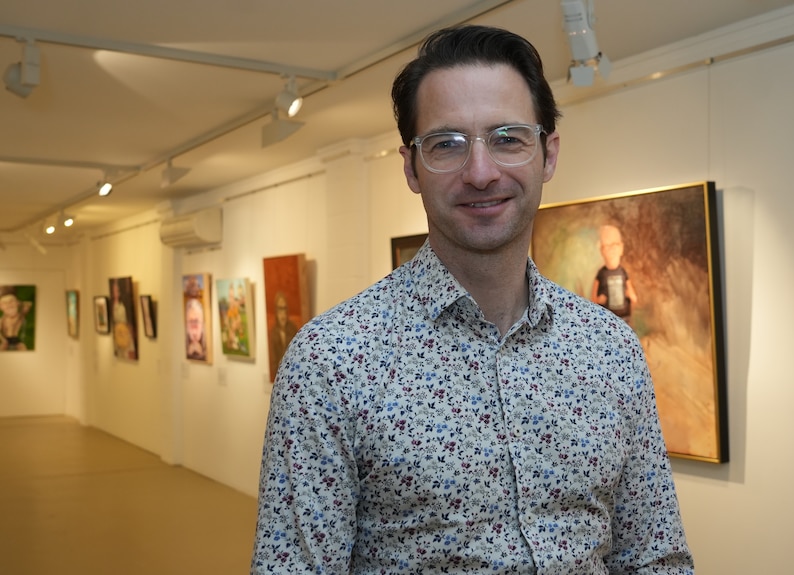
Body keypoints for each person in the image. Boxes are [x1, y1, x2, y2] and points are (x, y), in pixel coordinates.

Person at [252, 25, 693, 574]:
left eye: (508, 138)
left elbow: (654, 557)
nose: (481, 173)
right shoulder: (331, 361)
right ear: (411, 167)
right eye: (447, 144)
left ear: (548, 154)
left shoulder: (610, 349)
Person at [591, 224, 638, 320]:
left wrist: (631, 296)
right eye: (606, 246)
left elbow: (632, 295)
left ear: (621, 248)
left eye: (614, 245)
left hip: (624, 317)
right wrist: (598, 300)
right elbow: (593, 299)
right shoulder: (601, 274)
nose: (611, 250)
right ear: (601, 250)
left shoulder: (623, 272)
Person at [267, 290, 298, 381]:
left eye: (284, 308)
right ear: (276, 311)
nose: (282, 313)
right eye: (280, 309)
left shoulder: (293, 328)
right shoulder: (274, 332)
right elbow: (273, 362)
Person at [0, 286, 34, 351]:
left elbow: (28, 304)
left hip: (17, 341)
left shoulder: (21, 315)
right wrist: (3, 340)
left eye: (11, 301)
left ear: (17, 302)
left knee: (22, 348)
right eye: (4, 303)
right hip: (6, 342)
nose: (9, 305)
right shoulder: (2, 320)